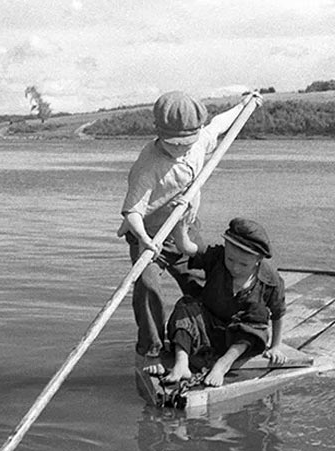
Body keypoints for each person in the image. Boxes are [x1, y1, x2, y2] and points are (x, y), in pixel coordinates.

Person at [118, 90, 262, 376]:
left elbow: (220, 125)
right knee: (147, 289)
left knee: (203, 280)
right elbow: (132, 212)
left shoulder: (199, 141)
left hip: (184, 226)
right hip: (149, 234)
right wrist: (146, 242)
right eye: (174, 144)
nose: (182, 149)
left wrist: (245, 105)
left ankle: (207, 334)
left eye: (187, 142)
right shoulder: (148, 166)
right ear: (160, 135)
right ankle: (153, 349)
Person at [161, 217, 288, 387]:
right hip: (208, 327)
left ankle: (222, 365)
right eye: (230, 260)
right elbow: (189, 249)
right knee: (186, 305)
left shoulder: (271, 279)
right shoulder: (217, 257)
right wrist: (181, 230)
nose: (235, 267)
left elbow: (278, 313)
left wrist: (275, 346)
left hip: (240, 337)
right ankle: (181, 363)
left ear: (258, 260)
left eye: (243, 264)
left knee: (257, 320)